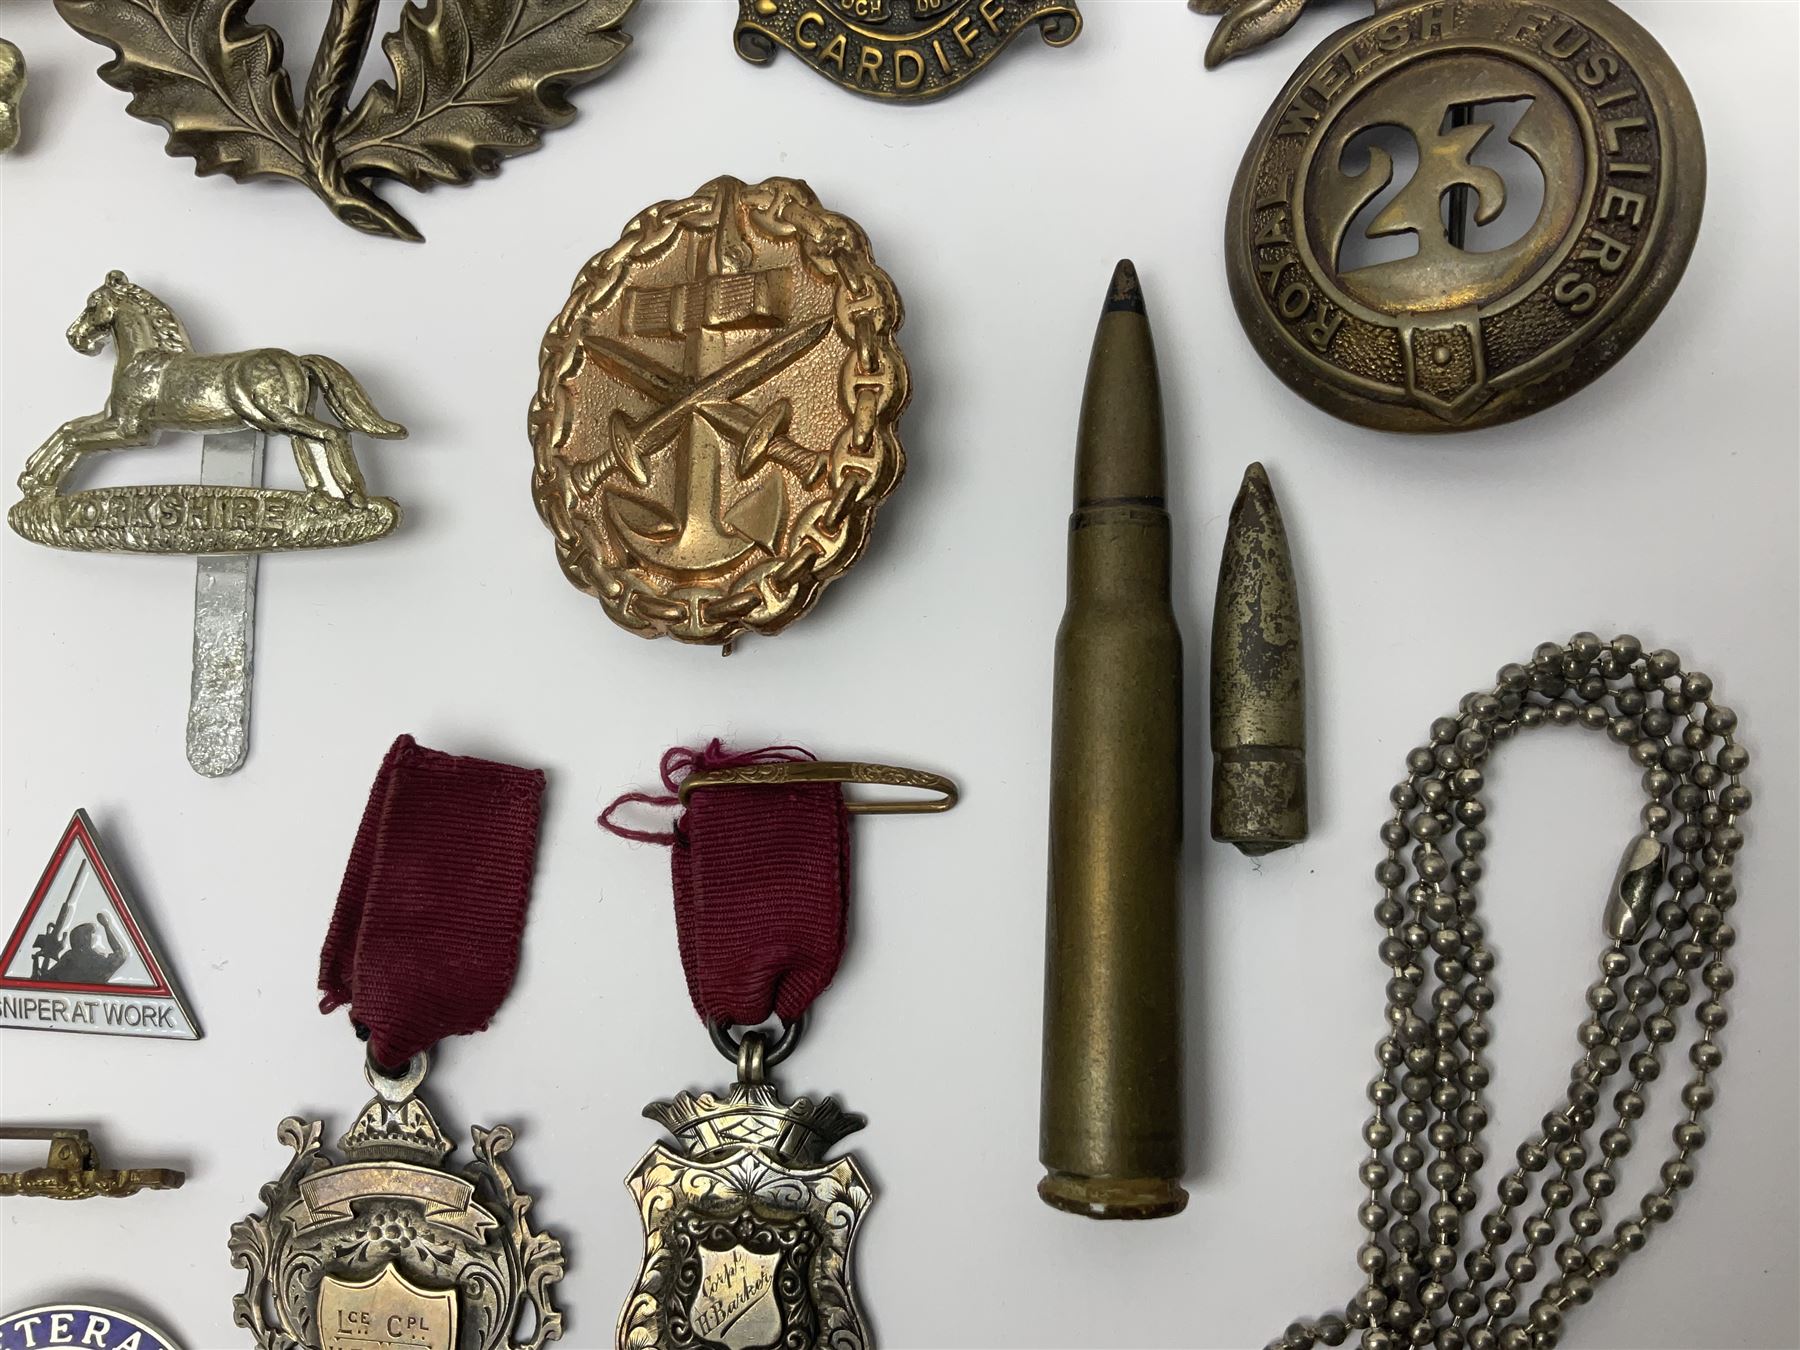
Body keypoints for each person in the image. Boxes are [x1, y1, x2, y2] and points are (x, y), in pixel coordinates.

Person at [45, 912, 126, 985]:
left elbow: (48, 978)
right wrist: (106, 926)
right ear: (87, 938)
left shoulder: (68, 957)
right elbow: (120, 954)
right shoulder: (97, 961)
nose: (92, 938)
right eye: (90, 935)